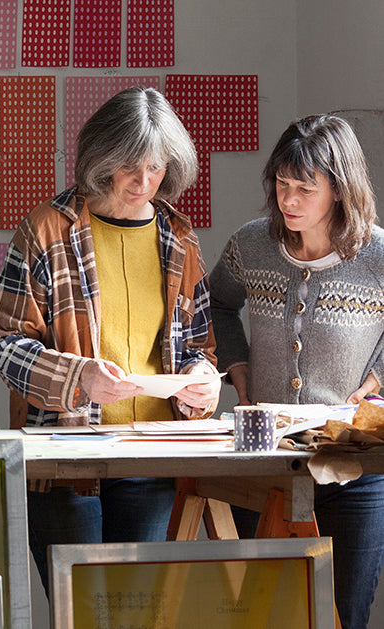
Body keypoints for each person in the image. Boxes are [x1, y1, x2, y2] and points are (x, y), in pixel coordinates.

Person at [0, 87, 221, 594]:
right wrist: (78, 377)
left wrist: (202, 379)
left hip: (152, 456)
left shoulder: (179, 238)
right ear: (101, 159)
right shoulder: (48, 230)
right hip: (66, 459)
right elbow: (3, 342)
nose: (144, 182)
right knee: (84, 610)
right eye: (129, 167)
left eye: (156, 168)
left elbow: (199, 345)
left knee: (138, 609)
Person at [210, 113, 384, 629]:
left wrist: (377, 380)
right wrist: (237, 369)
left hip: (351, 464)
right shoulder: (252, 244)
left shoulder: (377, 256)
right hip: (262, 465)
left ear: (339, 189)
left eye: (305, 188)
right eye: (282, 185)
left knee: (343, 614)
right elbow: (215, 305)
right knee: (266, 612)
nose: (289, 200)